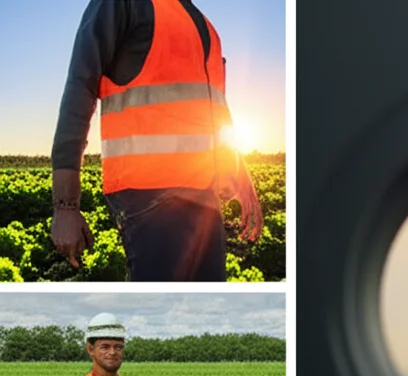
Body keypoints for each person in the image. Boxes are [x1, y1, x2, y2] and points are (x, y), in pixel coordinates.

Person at [50, 0, 264, 281]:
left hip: (205, 197)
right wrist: (65, 205)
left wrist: (240, 172)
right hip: (148, 196)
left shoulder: (203, 25)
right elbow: (80, 87)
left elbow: (215, 109)